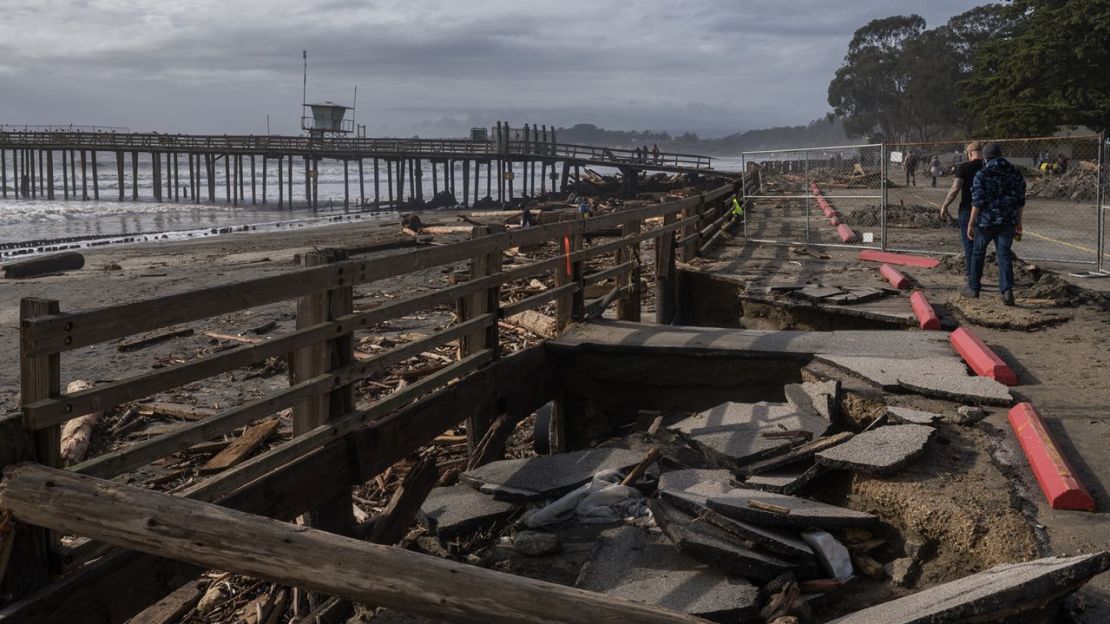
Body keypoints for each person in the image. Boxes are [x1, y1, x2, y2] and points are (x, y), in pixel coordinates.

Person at [966, 142, 1025, 306]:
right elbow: (1020, 201)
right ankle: (1007, 291)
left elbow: (977, 201)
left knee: (978, 254)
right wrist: (1019, 223)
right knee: (1004, 255)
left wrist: (971, 223)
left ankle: (974, 288)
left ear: (985, 157)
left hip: (986, 222)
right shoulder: (1016, 174)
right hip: (1007, 222)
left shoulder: (983, 174)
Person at [939, 141, 984, 276]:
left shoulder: (964, 168)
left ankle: (971, 276)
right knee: (981, 246)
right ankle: (977, 275)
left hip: (967, 209)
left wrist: (945, 205)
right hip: (985, 211)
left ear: (970, 153)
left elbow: (955, 189)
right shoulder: (988, 167)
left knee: (969, 244)